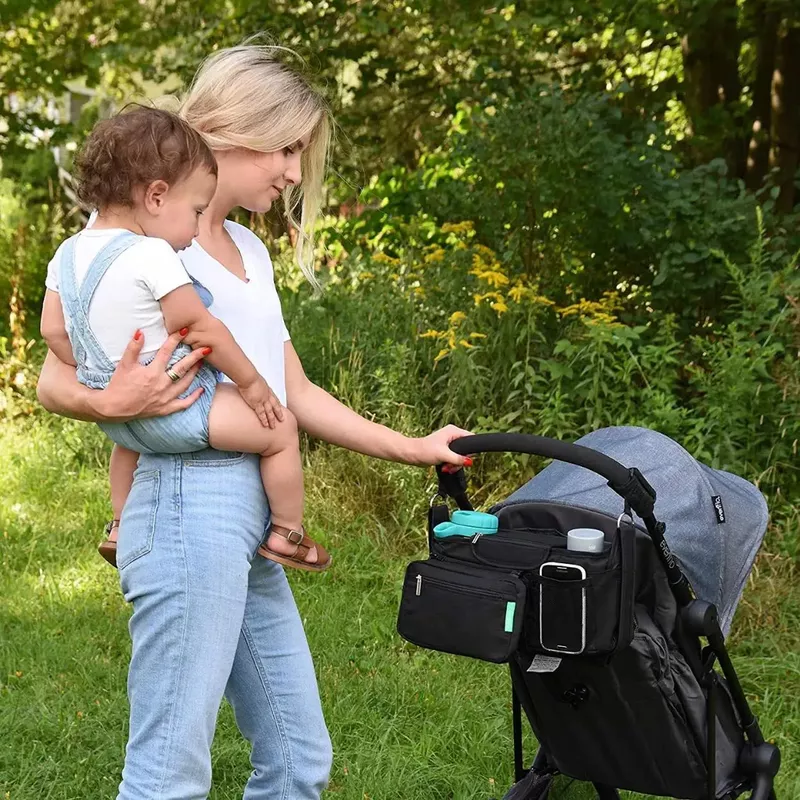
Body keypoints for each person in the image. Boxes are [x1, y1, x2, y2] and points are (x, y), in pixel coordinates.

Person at [36, 42, 470, 799]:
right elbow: (55, 371)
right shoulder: (145, 241)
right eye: (287, 149)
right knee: (168, 773)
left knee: (300, 761)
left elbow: (290, 390)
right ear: (235, 130)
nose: (295, 173)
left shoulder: (243, 249)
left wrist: (412, 447)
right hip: (182, 507)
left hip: (247, 519)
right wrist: (109, 403)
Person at [40, 104, 329, 572]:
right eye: (195, 211)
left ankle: (120, 524)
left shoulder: (67, 253)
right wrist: (254, 385)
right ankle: (287, 531)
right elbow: (201, 329)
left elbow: (54, 330)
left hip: (117, 415)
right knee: (280, 430)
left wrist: (104, 371)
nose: (195, 229)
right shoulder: (152, 254)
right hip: (182, 406)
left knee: (130, 445)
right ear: (156, 196)